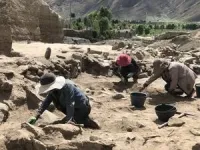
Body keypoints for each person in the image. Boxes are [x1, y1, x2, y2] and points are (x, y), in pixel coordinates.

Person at [28, 73, 100, 129]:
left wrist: (69, 120)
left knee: (76, 121)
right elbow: (46, 102)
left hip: (82, 107)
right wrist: (36, 116)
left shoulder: (67, 86)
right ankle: (75, 117)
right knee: (63, 119)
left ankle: (87, 121)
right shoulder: (53, 90)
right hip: (70, 107)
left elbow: (70, 103)